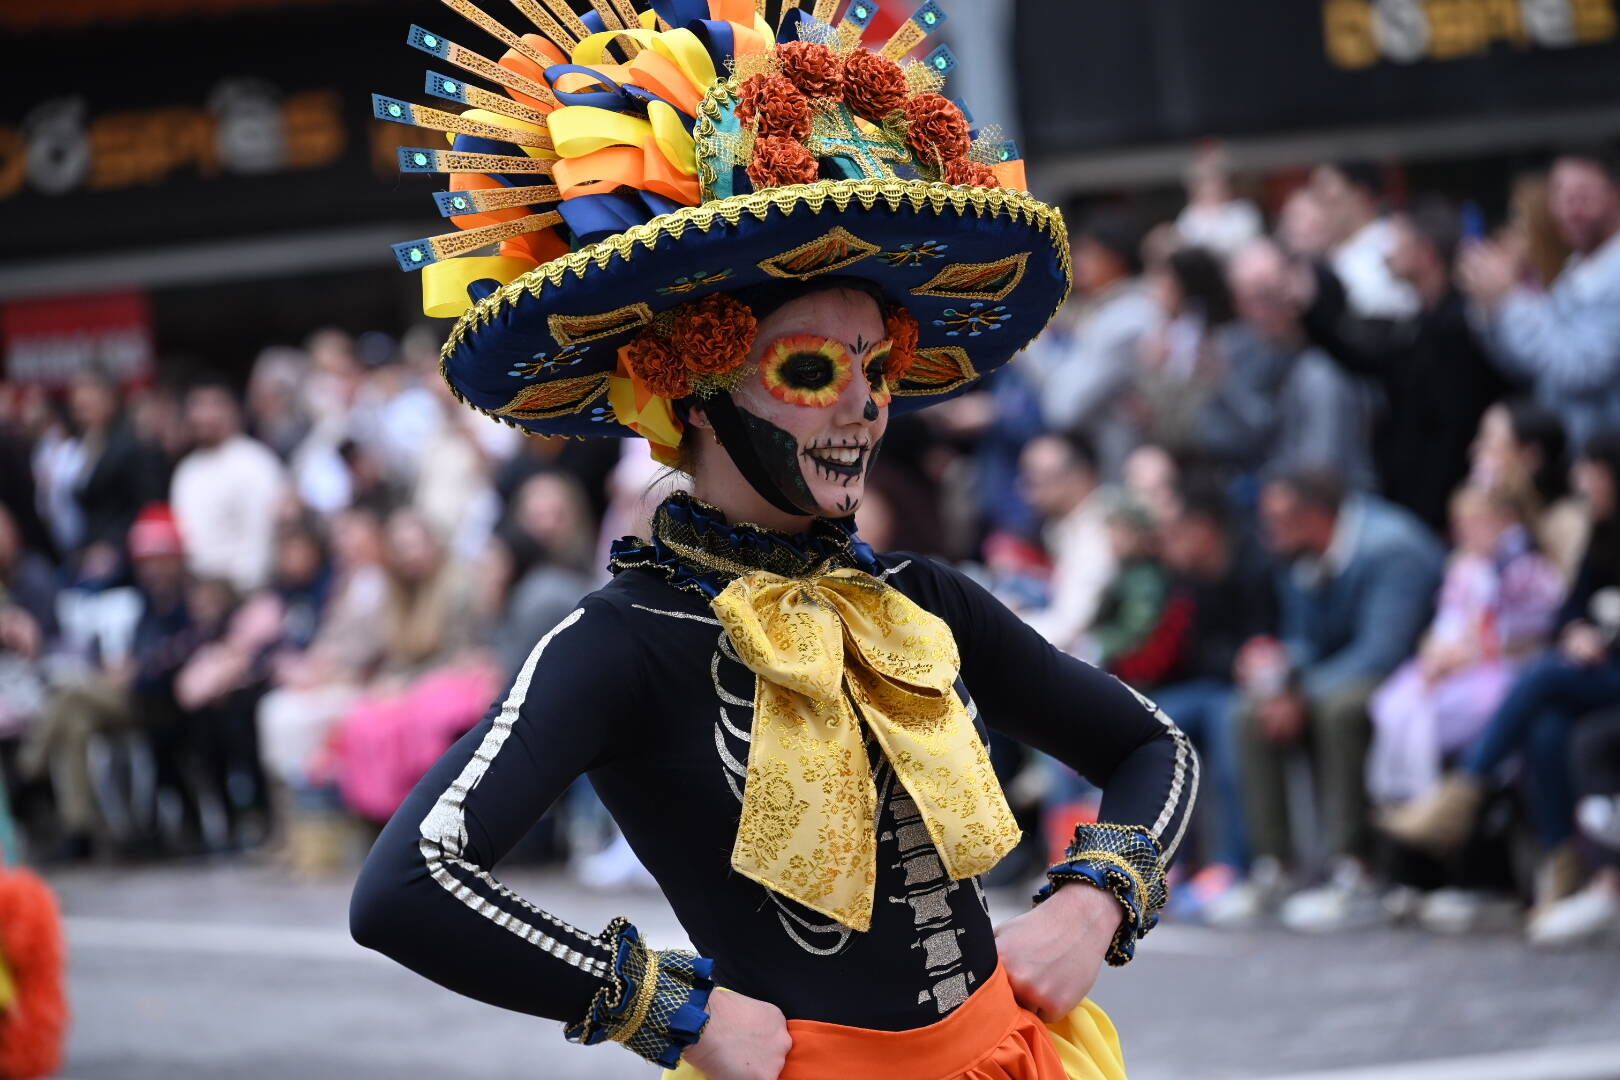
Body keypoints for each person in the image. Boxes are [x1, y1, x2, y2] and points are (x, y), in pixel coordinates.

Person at [350, 7, 1197, 1078]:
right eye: (810, 372)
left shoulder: (921, 598)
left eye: (877, 369)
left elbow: (1152, 746)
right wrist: (668, 1011)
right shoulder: (618, 643)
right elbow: (407, 885)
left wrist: (1097, 900)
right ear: (694, 393)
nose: (863, 410)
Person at [1382, 432, 1620, 914]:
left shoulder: (1527, 554)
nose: (1582, 484)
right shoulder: (1601, 533)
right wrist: (1578, 630)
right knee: (1546, 728)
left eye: (1591, 473)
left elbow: (1539, 613)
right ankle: (1565, 868)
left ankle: (1462, 795)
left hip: (1577, 672)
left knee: (1539, 679)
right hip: (1586, 671)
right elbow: (1570, 610)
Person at [1221, 469, 1445, 931]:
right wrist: (1276, 671)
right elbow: (1305, 641)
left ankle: (1354, 870)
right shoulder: (1299, 554)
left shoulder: (1391, 549)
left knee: (1337, 709)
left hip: (1416, 676)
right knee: (1248, 711)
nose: (1269, 533)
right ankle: (1274, 868)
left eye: (1279, 520)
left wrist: (1302, 693)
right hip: (1340, 673)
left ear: (1317, 516)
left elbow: (1384, 651)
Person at [1299, 199, 1511, 535]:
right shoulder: (1421, 321)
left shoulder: (1456, 328)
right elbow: (1370, 360)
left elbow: (1450, 432)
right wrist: (1311, 308)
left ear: (1425, 253)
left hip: (1436, 512)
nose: (1387, 255)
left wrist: (1426, 511)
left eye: (1397, 244)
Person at [1366, 484, 1564, 806]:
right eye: (1461, 525)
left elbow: (1534, 629)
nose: (1467, 533)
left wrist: (1473, 651)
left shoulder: (1525, 569)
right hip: (1456, 665)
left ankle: (1449, 799)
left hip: (1501, 668)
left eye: (1477, 522)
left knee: (1453, 714)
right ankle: (1409, 803)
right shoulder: (1465, 569)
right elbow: (1448, 621)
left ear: (1506, 521)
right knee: (1395, 705)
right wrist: (1438, 654)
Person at [1461, 148, 1620, 448]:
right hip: (1574, 457)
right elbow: (1531, 366)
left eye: (1583, 197)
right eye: (1561, 196)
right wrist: (1491, 305)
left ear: (1615, 195)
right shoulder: (1578, 265)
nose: (1569, 211)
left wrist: (1509, 300)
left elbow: (1579, 370)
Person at [1024, 208, 1159, 478]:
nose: (1077, 261)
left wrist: (1024, 335)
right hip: (1107, 468)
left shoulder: (1128, 318)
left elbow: (1062, 407)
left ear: (1116, 259)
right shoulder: (1103, 310)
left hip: (1125, 472)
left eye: (1089, 253)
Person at [169, 379, 289, 594]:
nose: (204, 415)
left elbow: (263, 532)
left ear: (233, 411)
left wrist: (247, 588)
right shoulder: (186, 469)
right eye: (197, 406)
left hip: (244, 589)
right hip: (198, 592)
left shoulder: (254, 462)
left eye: (213, 405)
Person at [1017, 433, 1116, 655]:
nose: (1025, 493)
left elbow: (1068, 627)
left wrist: (1000, 622)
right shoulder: (1065, 525)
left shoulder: (1096, 533)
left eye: (1035, 481)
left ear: (1077, 477)